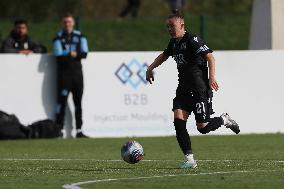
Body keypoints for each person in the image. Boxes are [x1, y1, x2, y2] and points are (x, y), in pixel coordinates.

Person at [146, 14, 240, 169]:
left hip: (199, 89)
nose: (170, 29)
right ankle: (189, 159)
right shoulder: (174, 43)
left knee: (203, 127)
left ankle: (223, 119)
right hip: (183, 89)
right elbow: (164, 55)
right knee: (178, 121)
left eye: (172, 26)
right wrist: (150, 68)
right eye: (168, 27)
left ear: (182, 25)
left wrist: (211, 77)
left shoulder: (192, 40)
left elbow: (210, 57)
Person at [53, 13, 89, 138]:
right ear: (62, 24)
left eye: (69, 22)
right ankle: (59, 130)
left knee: (78, 102)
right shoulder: (58, 37)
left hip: (77, 75)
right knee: (61, 102)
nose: (67, 24)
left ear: (73, 23)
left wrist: (74, 54)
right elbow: (58, 55)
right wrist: (71, 53)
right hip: (64, 76)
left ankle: (79, 130)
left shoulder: (80, 36)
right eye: (65, 22)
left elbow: (84, 53)